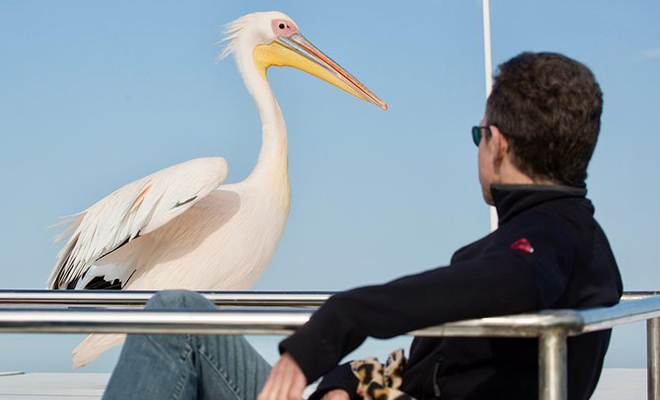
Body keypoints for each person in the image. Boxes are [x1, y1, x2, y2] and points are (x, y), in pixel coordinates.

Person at [102, 51, 622, 400]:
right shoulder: (576, 240)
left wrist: (334, 326)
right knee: (184, 310)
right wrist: (347, 381)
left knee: (173, 316)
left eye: (477, 136)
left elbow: (511, 280)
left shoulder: (545, 245)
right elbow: (452, 370)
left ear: (499, 144)